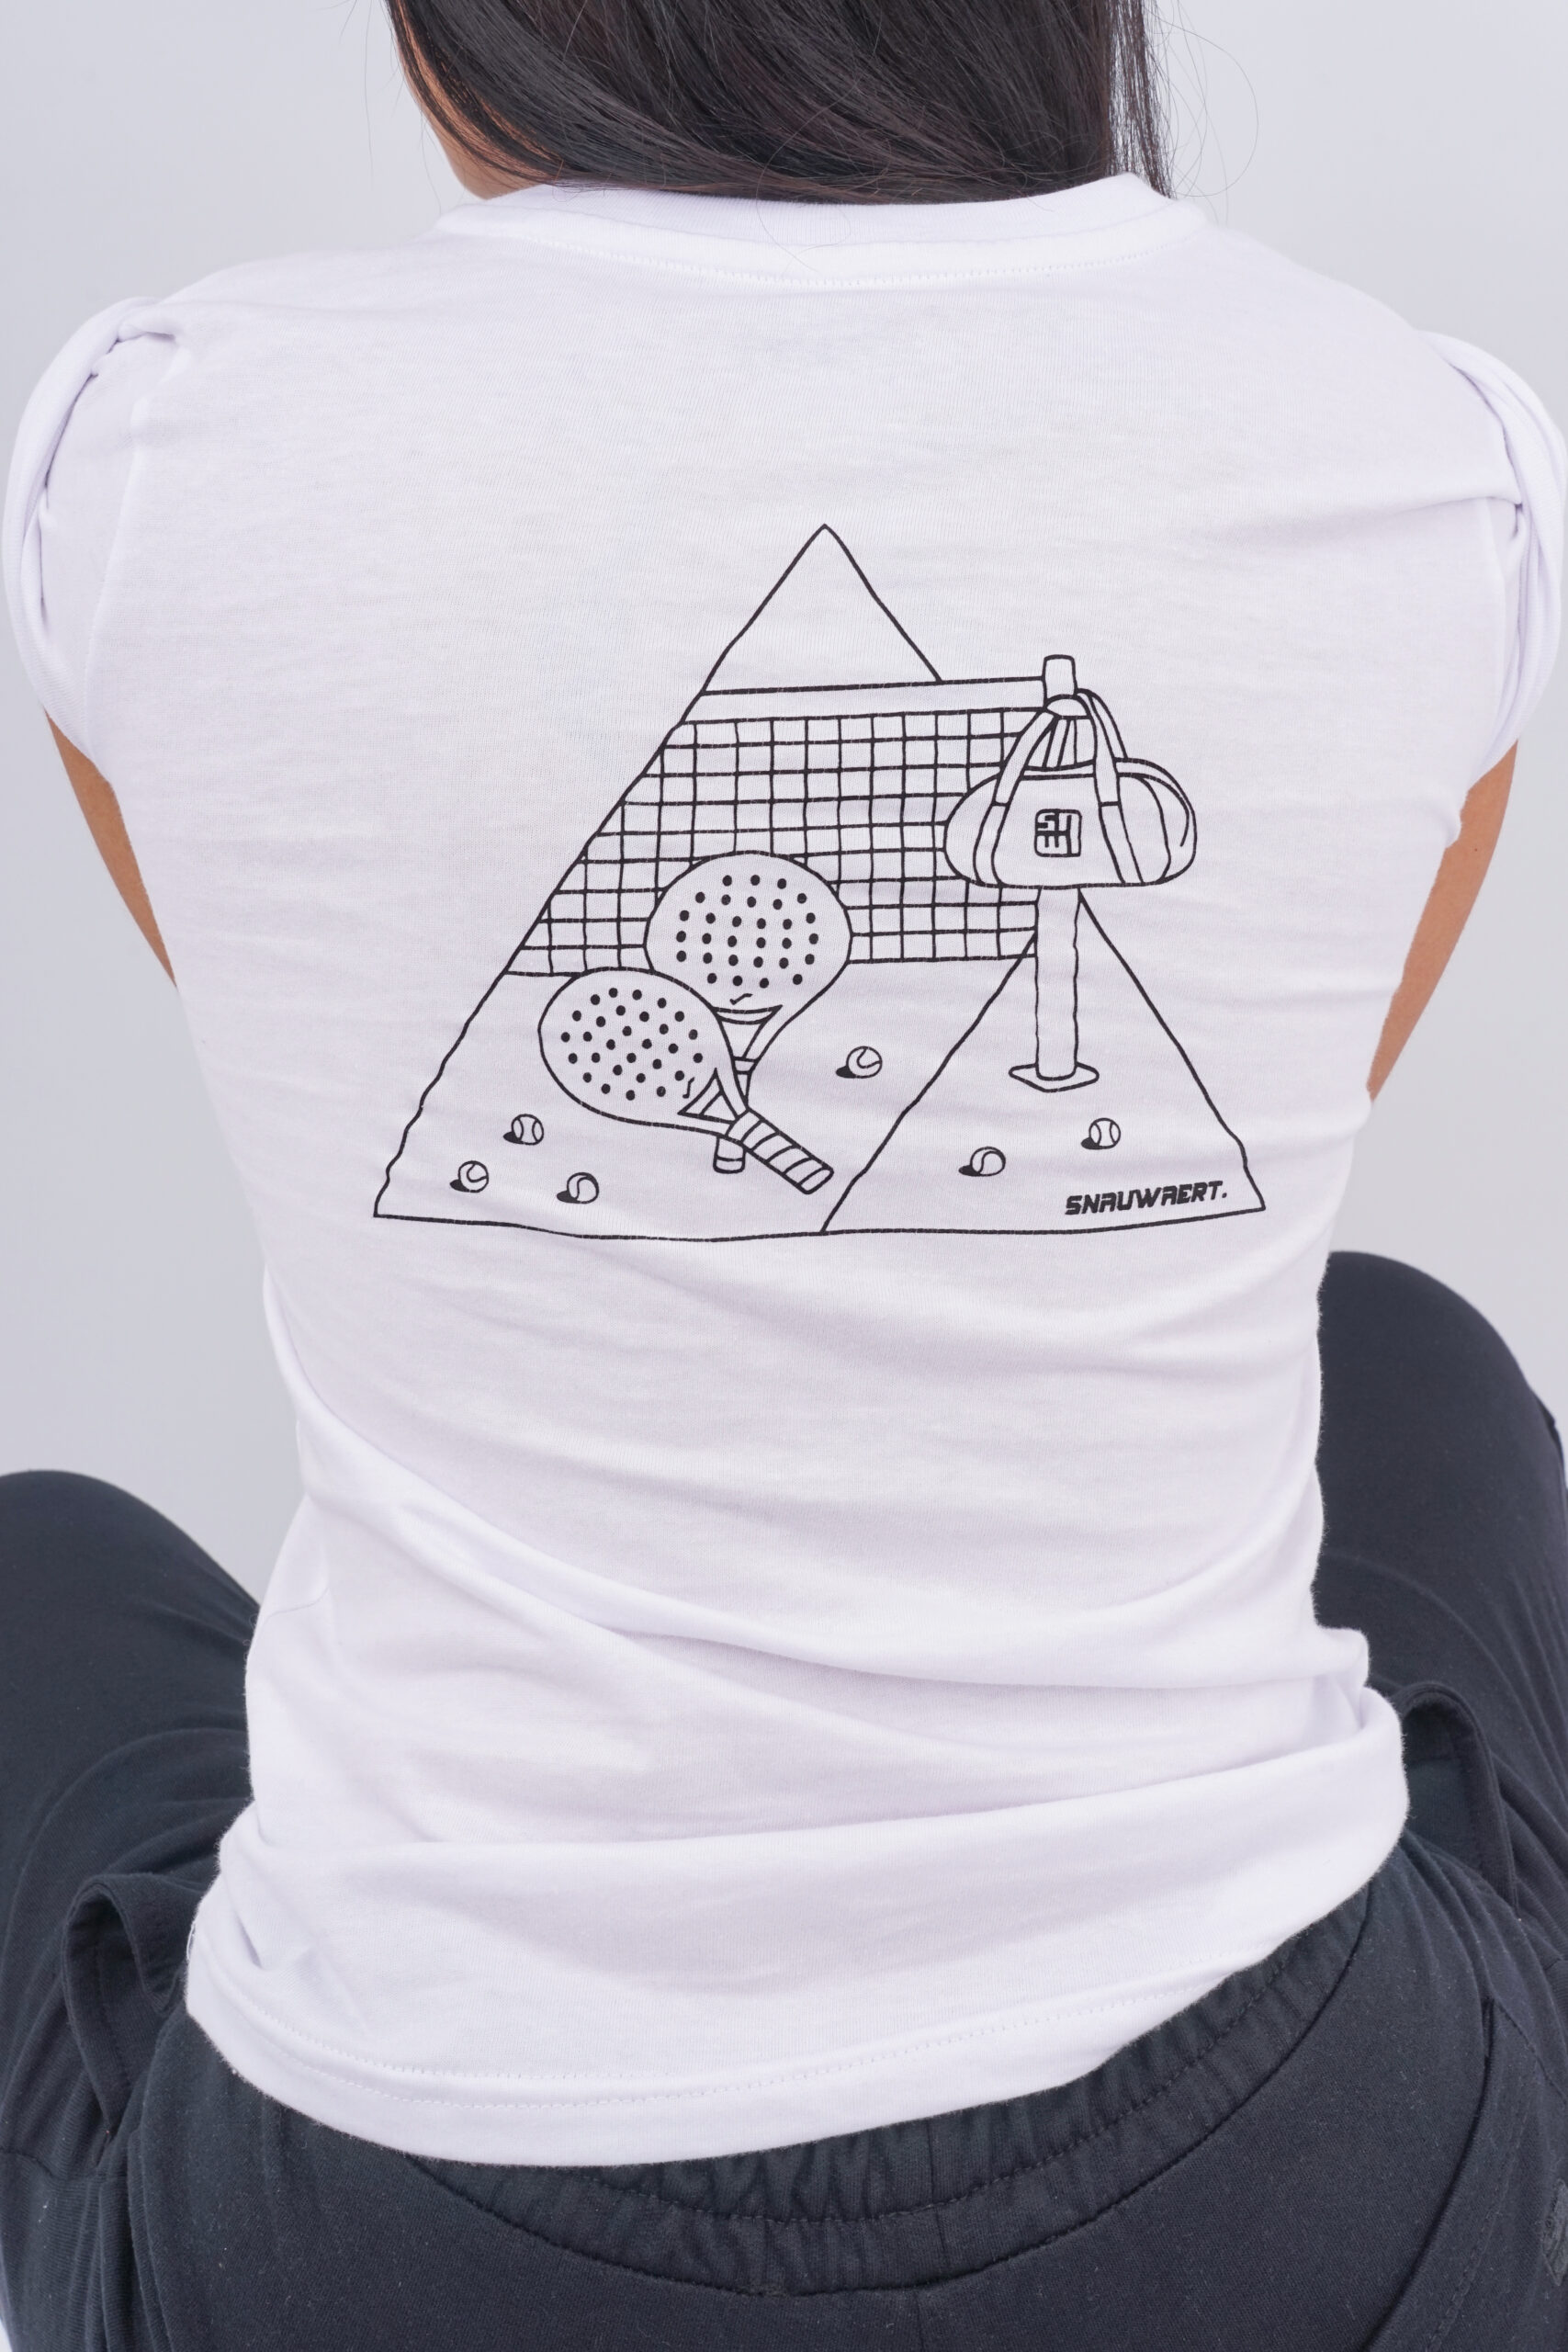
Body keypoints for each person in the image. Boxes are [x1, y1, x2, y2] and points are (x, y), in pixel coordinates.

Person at [3, 2, 1565, 2344]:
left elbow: (321, 1060)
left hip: (393, 2230)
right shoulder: (1428, 461)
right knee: (1400, 1347)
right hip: (1292, 2186)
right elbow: (1264, 1134)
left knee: (35, 1571)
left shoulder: (148, 452)